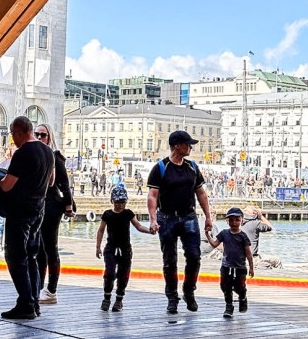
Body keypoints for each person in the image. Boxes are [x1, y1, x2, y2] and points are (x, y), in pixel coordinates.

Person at [147, 130, 214, 314]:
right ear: (177, 145)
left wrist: (208, 216)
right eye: (187, 144)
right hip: (167, 217)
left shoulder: (192, 167)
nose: (191, 147)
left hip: (189, 217)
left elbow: (201, 193)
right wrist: (153, 219)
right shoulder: (160, 168)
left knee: (194, 256)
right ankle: (172, 297)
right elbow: (153, 196)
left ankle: (189, 291)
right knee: (170, 260)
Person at [0, 116, 55, 320]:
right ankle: (35, 301)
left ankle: (25, 303)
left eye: (13, 134)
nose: (12, 138)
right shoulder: (48, 151)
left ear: (19, 132)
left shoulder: (22, 153)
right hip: (38, 210)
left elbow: (7, 185)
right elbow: (51, 182)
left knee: (15, 256)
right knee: (31, 256)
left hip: (20, 212)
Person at [36, 125, 76, 305]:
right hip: (38, 204)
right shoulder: (36, 155)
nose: (39, 137)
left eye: (42, 135)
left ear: (49, 137)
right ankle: (39, 287)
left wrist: (68, 205)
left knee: (50, 247)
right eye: (36, 134)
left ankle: (51, 290)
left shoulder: (54, 157)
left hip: (51, 204)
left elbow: (64, 184)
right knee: (39, 250)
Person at [96, 186, 151, 312]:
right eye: (117, 202)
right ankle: (107, 297)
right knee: (109, 273)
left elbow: (138, 226)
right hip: (111, 248)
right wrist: (98, 247)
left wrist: (150, 231)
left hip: (125, 249)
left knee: (123, 274)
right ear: (112, 201)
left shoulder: (128, 214)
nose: (120, 205)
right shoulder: (107, 214)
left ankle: (119, 300)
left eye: (122, 202)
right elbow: (101, 230)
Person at [206, 206, 254, 318]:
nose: (234, 222)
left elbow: (248, 253)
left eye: (237, 220)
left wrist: (251, 267)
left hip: (240, 267)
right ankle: (229, 306)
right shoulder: (224, 233)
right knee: (225, 286)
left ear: (242, 220)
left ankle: (242, 297)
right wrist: (208, 235)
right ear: (227, 221)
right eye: (231, 220)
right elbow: (215, 244)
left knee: (239, 287)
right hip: (226, 266)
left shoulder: (243, 236)